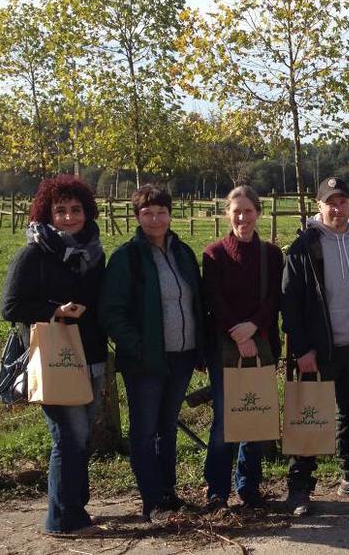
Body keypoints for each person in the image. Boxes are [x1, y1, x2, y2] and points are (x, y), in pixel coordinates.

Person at [1, 175, 107, 536]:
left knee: (82, 435)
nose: (68, 217)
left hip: (90, 355)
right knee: (68, 436)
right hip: (52, 358)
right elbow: (11, 306)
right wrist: (55, 310)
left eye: (75, 209)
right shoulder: (33, 253)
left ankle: (77, 507)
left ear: (86, 212)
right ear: (47, 213)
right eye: (60, 210)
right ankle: (63, 520)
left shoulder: (94, 252)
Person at [282, 176, 349, 516]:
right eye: (330, 201)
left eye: (342, 201)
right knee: (310, 418)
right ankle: (300, 487)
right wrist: (302, 349)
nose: (337, 207)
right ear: (319, 206)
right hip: (318, 351)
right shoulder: (303, 248)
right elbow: (291, 304)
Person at [99, 184, 206, 523]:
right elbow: (111, 312)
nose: (156, 218)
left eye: (161, 212)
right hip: (146, 361)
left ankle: (168, 494)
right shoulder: (126, 258)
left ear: (171, 215)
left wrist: (199, 345)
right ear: (137, 217)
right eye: (148, 213)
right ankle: (151, 500)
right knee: (145, 430)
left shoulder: (183, 252)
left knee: (168, 426)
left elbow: (196, 301)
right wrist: (140, 348)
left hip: (182, 355)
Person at [201, 185, 284, 511]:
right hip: (224, 344)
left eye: (248, 211)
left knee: (255, 415)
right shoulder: (214, 254)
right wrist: (239, 333)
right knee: (225, 419)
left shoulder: (271, 254)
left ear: (258, 213)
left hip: (261, 340)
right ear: (227, 214)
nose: (242, 217)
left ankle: (249, 486)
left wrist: (255, 327)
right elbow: (214, 300)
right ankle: (217, 489)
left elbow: (275, 298)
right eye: (236, 211)